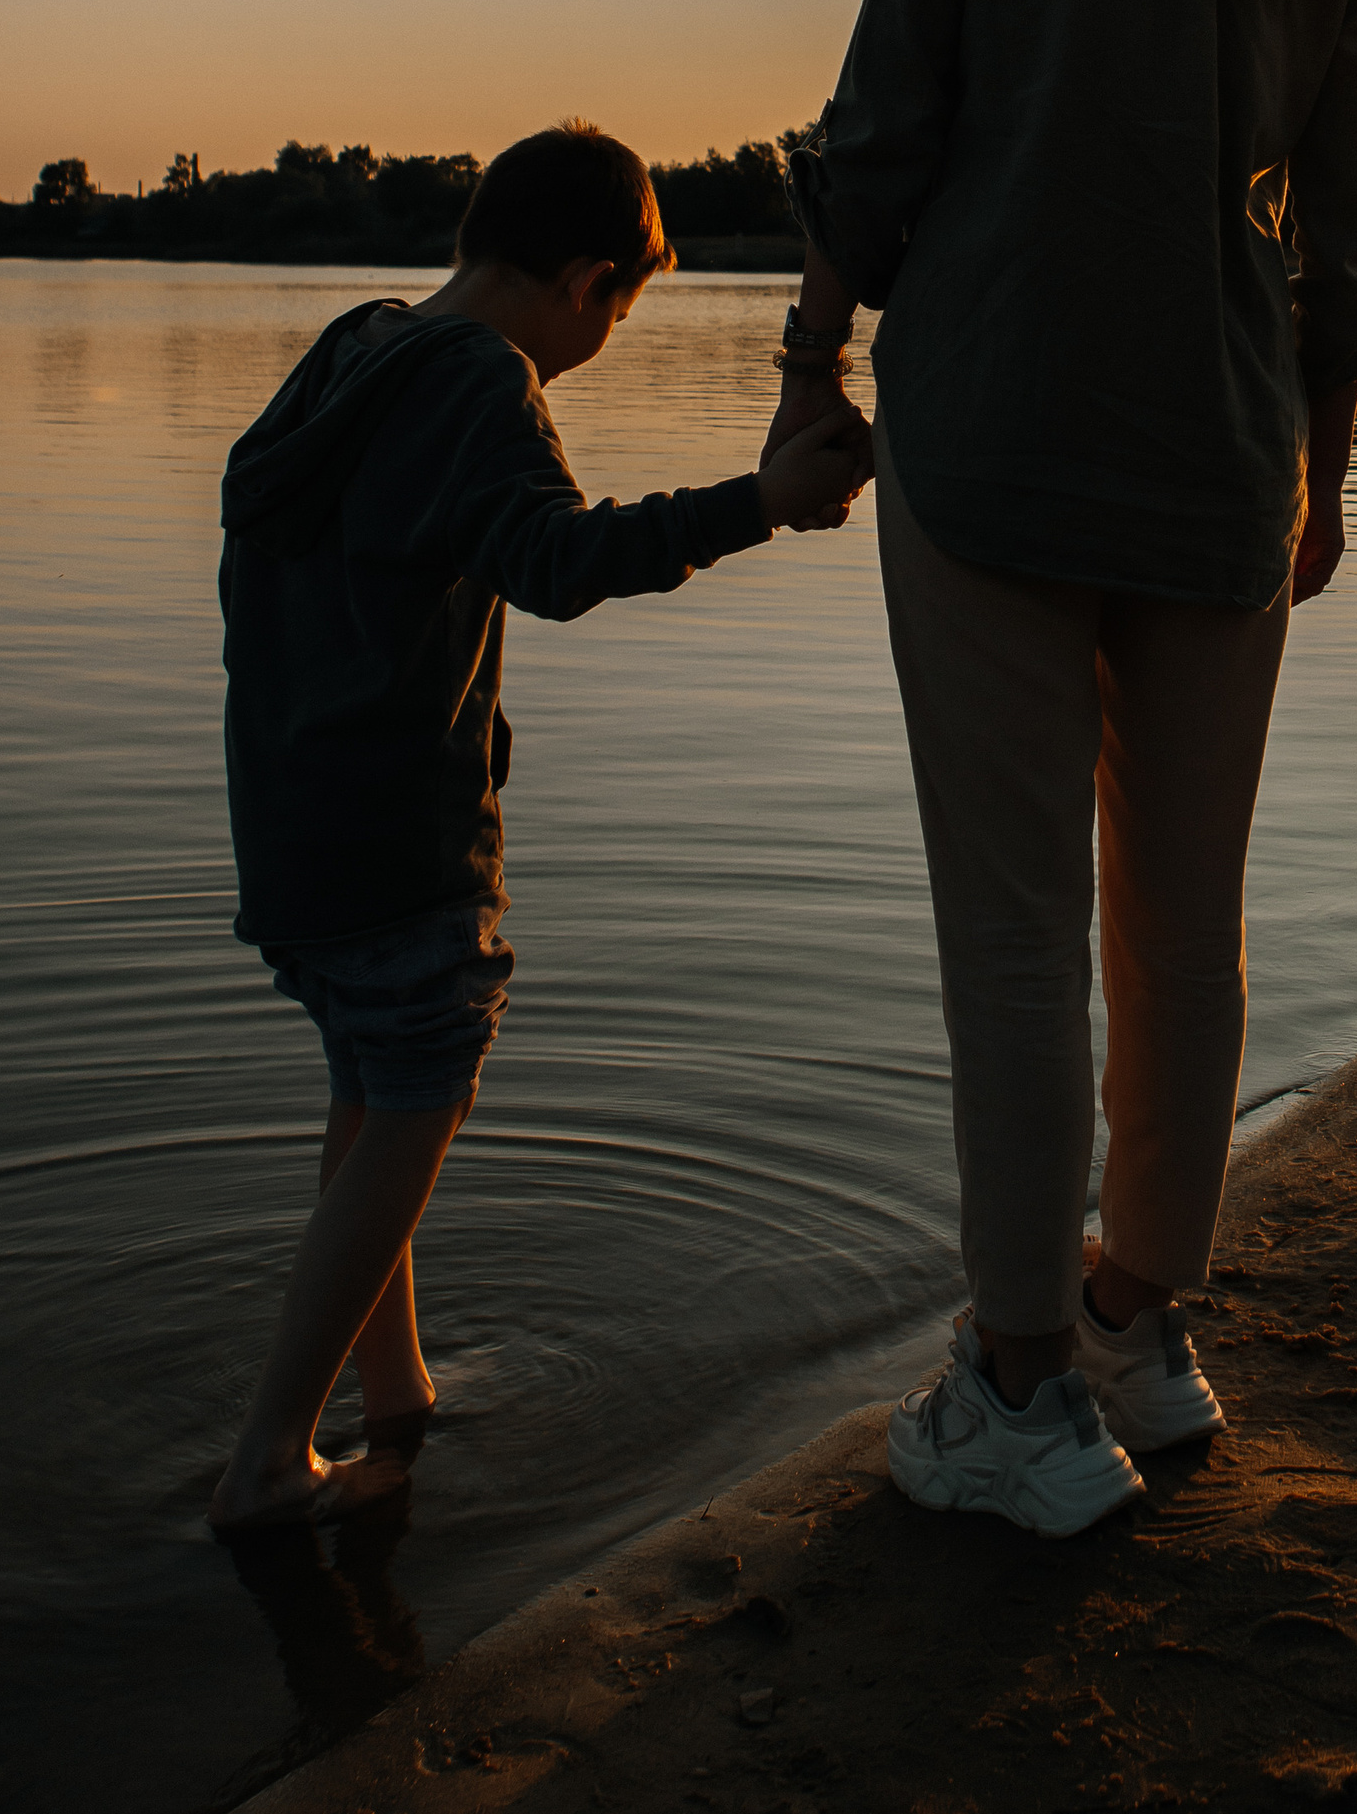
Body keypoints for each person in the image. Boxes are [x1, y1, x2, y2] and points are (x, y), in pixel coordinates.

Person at [769, 0, 1357, 1537]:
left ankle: (1020, 1380)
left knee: (1016, 925)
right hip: (1226, 449)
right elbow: (1340, 237)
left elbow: (885, 125)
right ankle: (1139, 1319)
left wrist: (810, 356)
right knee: (1179, 918)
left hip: (1000, 427)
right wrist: (1320, 454)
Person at [207, 120, 867, 1531]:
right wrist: (762, 502)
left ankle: (396, 1399)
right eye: (620, 313)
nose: (605, 341)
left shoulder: (357, 347)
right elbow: (560, 563)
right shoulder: (479, 383)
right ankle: (268, 1459)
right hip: (397, 835)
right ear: (585, 281)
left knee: (372, 1094)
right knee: (421, 1091)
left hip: (288, 823)